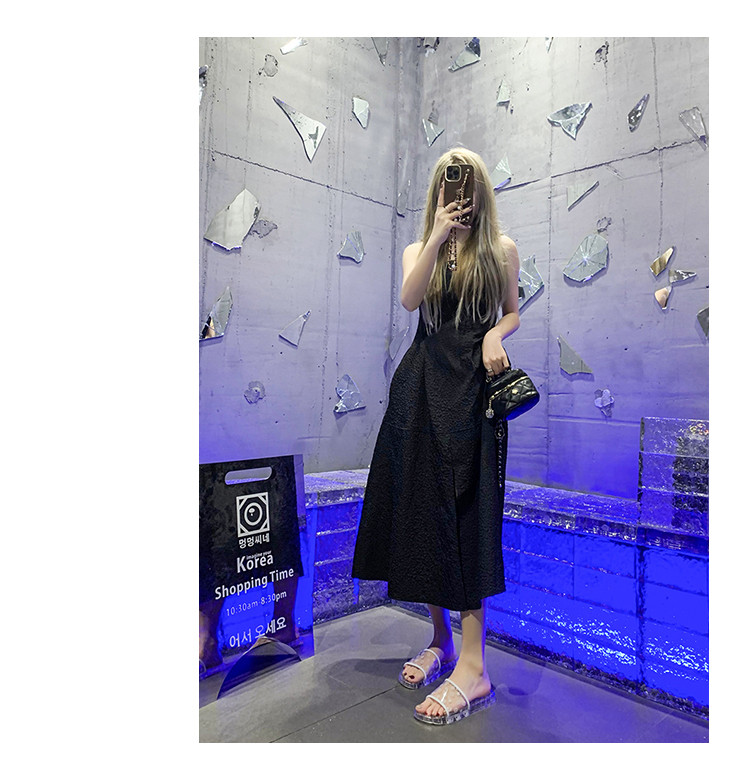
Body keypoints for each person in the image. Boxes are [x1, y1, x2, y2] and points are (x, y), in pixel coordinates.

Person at [351, 148, 520, 726]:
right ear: (438, 191)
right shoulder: (418, 248)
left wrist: (496, 333)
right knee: (425, 514)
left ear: (481, 189)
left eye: (467, 183)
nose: (459, 192)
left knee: (469, 514)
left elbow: (512, 312)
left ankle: (474, 665)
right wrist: (440, 233)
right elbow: (409, 299)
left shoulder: (500, 250)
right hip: (421, 389)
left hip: (472, 389)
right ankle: (442, 641)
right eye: (450, 184)